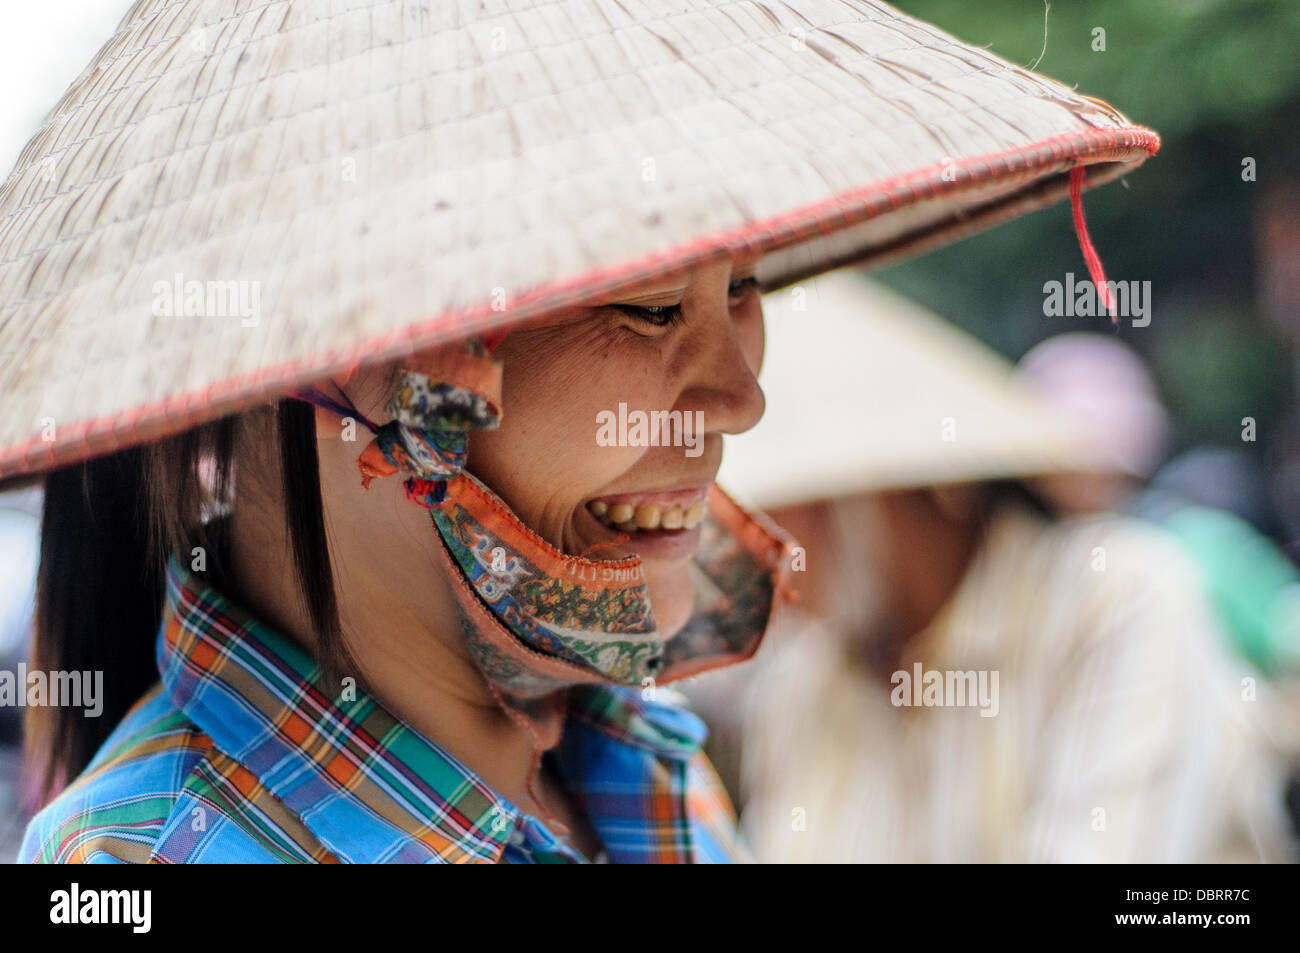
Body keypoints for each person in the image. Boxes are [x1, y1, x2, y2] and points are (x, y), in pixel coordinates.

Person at [0, 1, 1160, 863]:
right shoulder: (131, 869)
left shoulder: (651, 770)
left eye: (743, 289)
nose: (739, 396)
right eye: (651, 305)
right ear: (356, 367)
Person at [703, 270, 1298, 862]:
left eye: (780, 512)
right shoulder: (808, 680)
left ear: (876, 497)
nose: (765, 556)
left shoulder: (1116, 600)